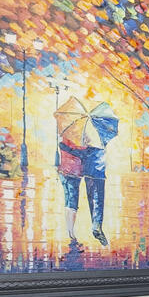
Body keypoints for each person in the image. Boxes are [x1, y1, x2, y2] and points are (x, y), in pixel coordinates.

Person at [57, 98, 120, 248]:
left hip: (69, 169)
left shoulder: (68, 133)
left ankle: (72, 233)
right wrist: (86, 145)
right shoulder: (83, 134)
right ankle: (93, 226)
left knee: (71, 200)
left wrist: (83, 144)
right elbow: (84, 151)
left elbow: (68, 148)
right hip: (76, 168)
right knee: (92, 196)